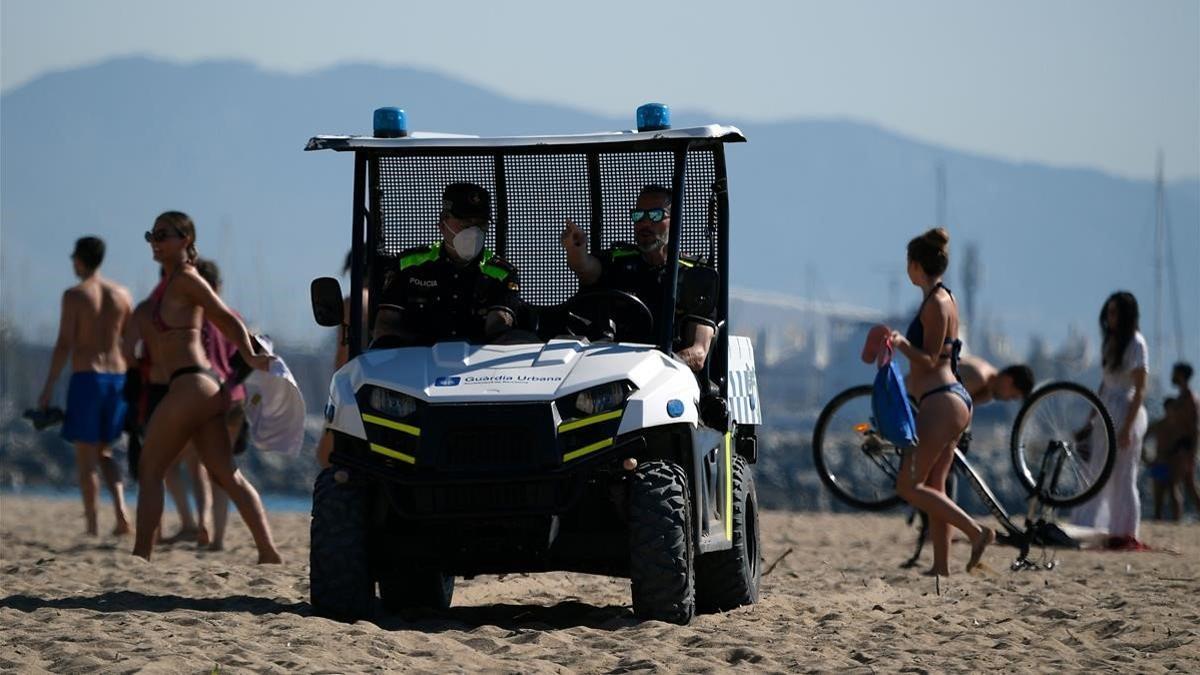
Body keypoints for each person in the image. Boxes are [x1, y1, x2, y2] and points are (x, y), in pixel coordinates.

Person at [131, 211, 281, 563]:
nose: (155, 240)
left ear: (185, 240)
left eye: (164, 234)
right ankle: (269, 552)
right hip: (201, 389)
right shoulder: (170, 284)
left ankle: (141, 555)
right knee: (228, 475)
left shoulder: (185, 278)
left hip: (191, 384)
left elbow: (224, 316)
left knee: (150, 469)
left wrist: (250, 354)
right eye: (151, 234)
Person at [888, 228, 993, 576]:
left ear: (915, 266)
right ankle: (942, 566)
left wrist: (900, 343)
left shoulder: (935, 303)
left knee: (908, 485)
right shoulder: (945, 297)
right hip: (951, 400)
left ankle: (977, 532)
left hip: (940, 402)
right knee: (934, 486)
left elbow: (931, 359)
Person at [37, 236, 134, 536]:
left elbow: (65, 342)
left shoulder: (75, 295)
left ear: (79, 259)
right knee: (105, 452)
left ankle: (92, 525)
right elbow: (131, 340)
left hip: (88, 377)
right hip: (118, 378)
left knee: (86, 457)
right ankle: (121, 513)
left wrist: (49, 386)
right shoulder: (122, 294)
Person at [560, 184, 716, 372]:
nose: (645, 223)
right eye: (639, 216)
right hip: (608, 371)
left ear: (675, 220)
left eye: (656, 215)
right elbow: (586, 268)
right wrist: (575, 249)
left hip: (667, 377)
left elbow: (698, 354)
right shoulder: (618, 260)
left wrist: (651, 367)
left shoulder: (695, 274)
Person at [373, 182, 520, 345]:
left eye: (481, 224)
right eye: (466, 223)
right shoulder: (409, 265)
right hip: (413, 364)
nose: (474, 232)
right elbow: (385, 327)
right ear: (442, 224)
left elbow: (498, 329)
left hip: (478, 367)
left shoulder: (501, 273)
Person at [1071, 291, 1149, 548]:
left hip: (1126, 411)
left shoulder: (1136, 343)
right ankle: (1090, 525)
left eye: (1115, 312)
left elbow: (1139, 390)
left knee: (1125, 474)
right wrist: (1090, 419)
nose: (1110, 317)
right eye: (1109, 312)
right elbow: (1104, 386)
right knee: (1096, 471)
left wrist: (1127, 427)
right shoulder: (1111, 342)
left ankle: (1124, 531)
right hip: (1106, 411)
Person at [317, 251, 369, 468]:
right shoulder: (389, 304)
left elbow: (344, 350)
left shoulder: (353, 302)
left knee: (327, 457)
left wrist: (336, 388)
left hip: (354, 384)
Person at [1167, 362, 1199, 517]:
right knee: (1189, 485)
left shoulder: (1189, 398)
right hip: (1180, 445)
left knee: (1175, 483)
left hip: (1184, 447)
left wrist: (1192, 452)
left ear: (1181, 375)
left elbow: (1194, 427)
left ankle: (1176, 519)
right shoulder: (1182, 397)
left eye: (1174, 373)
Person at [957, 357, 1035, 405]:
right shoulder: (979, 378)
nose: (1007, 399)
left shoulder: (988, 391)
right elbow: (948, 403)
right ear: (1008, 381)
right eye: (1012, 396)